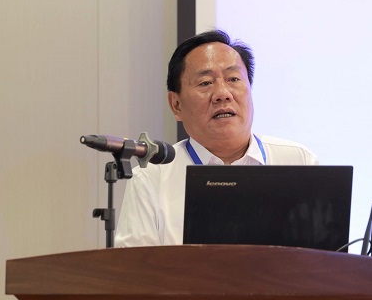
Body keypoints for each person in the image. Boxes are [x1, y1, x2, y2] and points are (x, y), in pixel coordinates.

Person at [114, 30, 318, 246]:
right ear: (176, 105)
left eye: (233, 79)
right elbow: (135, 266)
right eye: (205, 83)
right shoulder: (151, 179)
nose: (223, 94)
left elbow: (326, 260)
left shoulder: (299, 162)